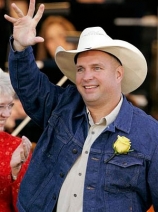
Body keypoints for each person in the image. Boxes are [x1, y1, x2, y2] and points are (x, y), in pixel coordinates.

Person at [4, 0, 158, 211]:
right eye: (81, 69)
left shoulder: (149, 133)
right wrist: (20, 47)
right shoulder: (62, 105)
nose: (87, 77)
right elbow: (29, 86)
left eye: (97, 68)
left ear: (118, 73)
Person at [0, 68, 32, 212]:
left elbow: (26, 205)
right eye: (0, 106)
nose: (6, 114)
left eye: (10, 106)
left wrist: (15, 173)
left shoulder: (15, 147)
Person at [35, 15, 78, 85]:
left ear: (72, 38)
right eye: (50, 39)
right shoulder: (39, 74)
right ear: (46, 46)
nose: (57, 42)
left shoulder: (84, 70)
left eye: (61, 36)